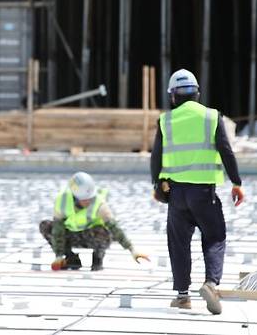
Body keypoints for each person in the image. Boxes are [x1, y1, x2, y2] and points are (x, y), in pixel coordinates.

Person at [151, 69, 245, 315]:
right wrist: (236, 182)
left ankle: (183, 296)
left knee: (178, 243)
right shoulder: (211, 117)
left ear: (173, 96)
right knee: (215, 237)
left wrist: (155, 185)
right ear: (197, 94)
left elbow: (156, 157)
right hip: (204, 193)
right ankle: (211, 284)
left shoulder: (165, 120)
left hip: (176, 194)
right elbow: (226, 150)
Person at [40, 172, 149, 271]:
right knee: (46, 226)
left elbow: (115, 228)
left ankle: (97, 259)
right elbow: (58, 230)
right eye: (84, 199)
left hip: (92, 237)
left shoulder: (99, 203)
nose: (88, 201)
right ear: (75, 197)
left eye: (89, 198)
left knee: (103, 231)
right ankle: (71, 259)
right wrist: (59, 256)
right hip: (72, 236)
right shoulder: (63, 200)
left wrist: (132, 250)